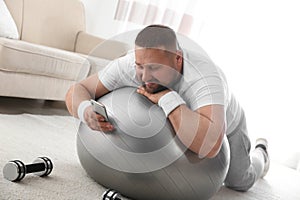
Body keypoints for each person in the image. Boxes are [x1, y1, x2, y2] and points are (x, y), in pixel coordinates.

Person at [65, 24, 270, 192]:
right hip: (191, 121)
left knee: (240, 182)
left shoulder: (206, 77)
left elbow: (210, 145)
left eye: (154, 68)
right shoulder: (129, 65)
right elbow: (78, 89)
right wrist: (85, 110)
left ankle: (261, 153)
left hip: (228, 128)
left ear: (178, 59)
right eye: (140, 66)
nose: (145, 77)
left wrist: (167, 98)